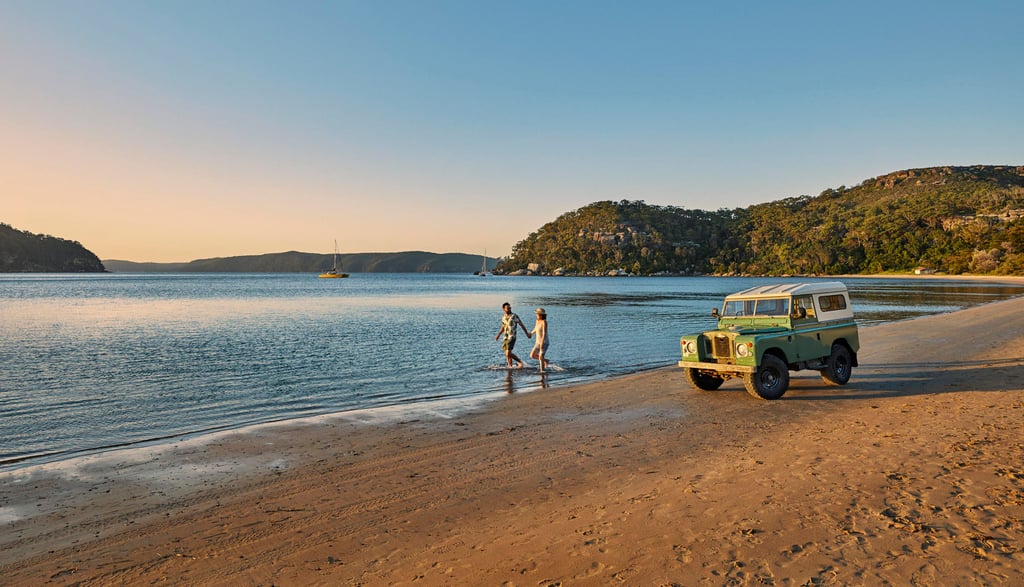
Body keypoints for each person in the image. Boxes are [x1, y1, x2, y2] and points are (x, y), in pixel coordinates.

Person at [495, 302, 530, 368]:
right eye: (507, 308)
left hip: (512, 336)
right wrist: (498, 335)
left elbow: (522, 325)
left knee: (508, 353)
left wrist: (527, 333)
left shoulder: (514, 316)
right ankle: (510, 367)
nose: (509, 309)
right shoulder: (503, 317)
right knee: (507, 354)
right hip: (505, 337)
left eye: (510, 308)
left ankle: (520, 362)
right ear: (504, 309)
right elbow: (503, 327)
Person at [529, 307, 549, 372]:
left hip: (544, 342)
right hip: (537, 342)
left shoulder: (544, 322)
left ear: (541, 315)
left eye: (537, 314)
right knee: (532, 355)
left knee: (541, 356)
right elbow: (535, 329)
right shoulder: (537, 321)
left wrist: (542, 344)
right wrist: (531, 333)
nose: (536, 315)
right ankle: (546, 360)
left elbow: (544, 334)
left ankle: (542, 370)